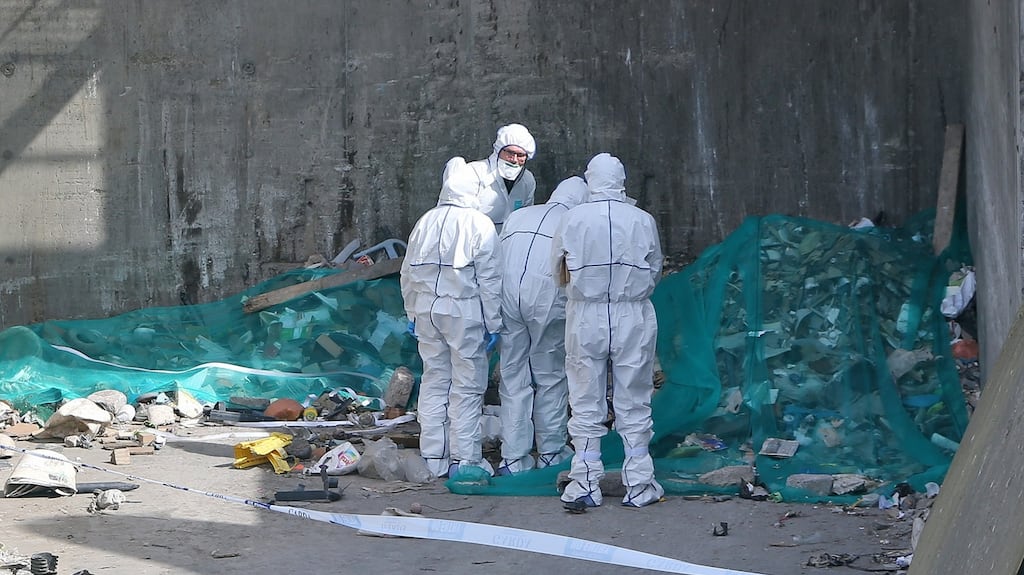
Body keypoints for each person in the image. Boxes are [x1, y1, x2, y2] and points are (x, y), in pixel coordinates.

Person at [551, 152, 665, 509]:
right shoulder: (642, 220)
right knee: (635, 398)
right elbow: (655, 267)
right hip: (632, 313)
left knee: (585, 400)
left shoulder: (572, 218)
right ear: (621, 180)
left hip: (586, 314)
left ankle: (585, 482)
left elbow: (557, 269)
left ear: (591, 179)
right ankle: (639, 484)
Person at [400, 156, 503, 478]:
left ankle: (434, 456)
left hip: (427, 310)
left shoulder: (425, 221)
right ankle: (466, 458)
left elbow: (407, 272)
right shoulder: (479, 223)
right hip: (464, 310)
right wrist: (495, 322)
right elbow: (489, 279)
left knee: (434, 380)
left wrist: (412, 312)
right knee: (468, 386)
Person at [496, 176, 589, 475]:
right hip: (547, 302)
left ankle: (513, 458)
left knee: (513, 375)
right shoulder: (576, 220)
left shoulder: (519, 215)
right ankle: (550, 451)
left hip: (508, 299)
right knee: (550, 375)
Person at [468, 123, 537, 232]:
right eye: (510, 152)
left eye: (520, 155)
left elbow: (524, 218)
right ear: (498, 151)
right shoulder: (475, 173)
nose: (514, 160)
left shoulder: (527, 181)